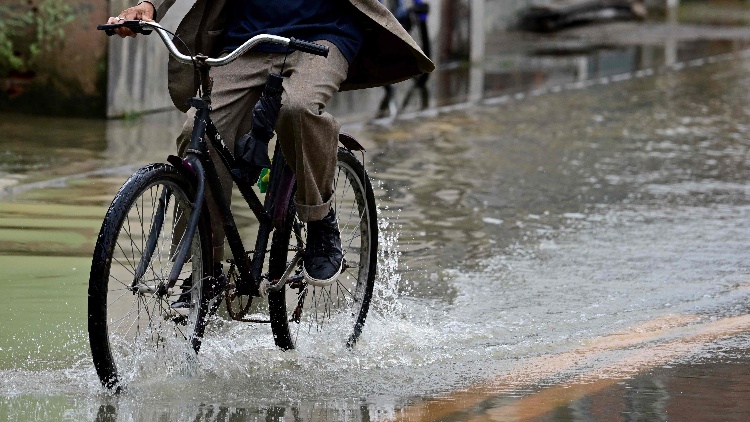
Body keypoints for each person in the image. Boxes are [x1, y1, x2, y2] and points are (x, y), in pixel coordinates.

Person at [107, 0, 434, 285]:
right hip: (245, 42)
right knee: (198, 130)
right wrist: (148, 6)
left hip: (323, 38)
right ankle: (207, 267)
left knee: (297, 108)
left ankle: (319, 218)